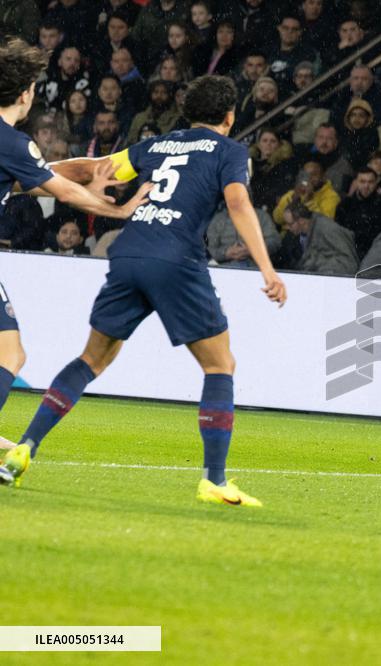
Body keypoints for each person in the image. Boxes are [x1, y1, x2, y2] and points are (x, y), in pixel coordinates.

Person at [2, 75, 287, 506]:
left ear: (190, 113)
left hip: (129, 251)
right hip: (177, 260)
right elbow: (238, 203)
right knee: (219, 365)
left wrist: (36, 172)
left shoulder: (157, 146)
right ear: (230, 116)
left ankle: (25, 446)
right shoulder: (229, 151)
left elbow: (92, 170)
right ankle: (214, 479)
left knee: (90, 359)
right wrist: (267, 268)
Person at [0, 37, 151, 481]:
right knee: (10, 354)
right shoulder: (12, 142)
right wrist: (118, 210)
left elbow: (40, 178)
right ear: (26, 93)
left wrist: (88, 168)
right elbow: (59, 189)